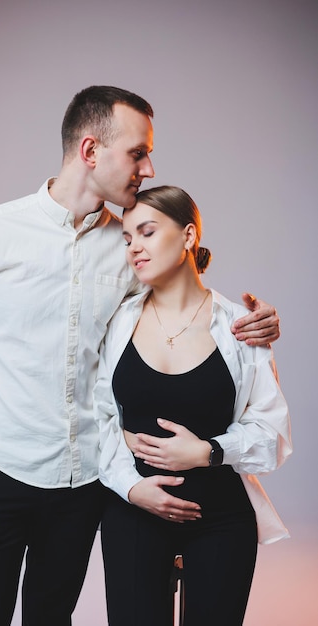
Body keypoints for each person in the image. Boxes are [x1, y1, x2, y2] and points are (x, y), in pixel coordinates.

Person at [0, 86, 280, 625]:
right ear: (91, 151)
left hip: (82, 484)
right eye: (138, 152)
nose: (149, 166)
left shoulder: (127, 244)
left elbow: (180, 303)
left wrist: (254, 320)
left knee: (52, 619)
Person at [95, 185, 292, 626]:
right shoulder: (115, 321)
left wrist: (207, 451)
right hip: (134, 512)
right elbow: (96, 419)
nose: (135, 248)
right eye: (127, 239)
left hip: (221, 519)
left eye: (146, 232)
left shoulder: (240, 328)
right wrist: (131, 487)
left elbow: (270, 434)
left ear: (188, 236)